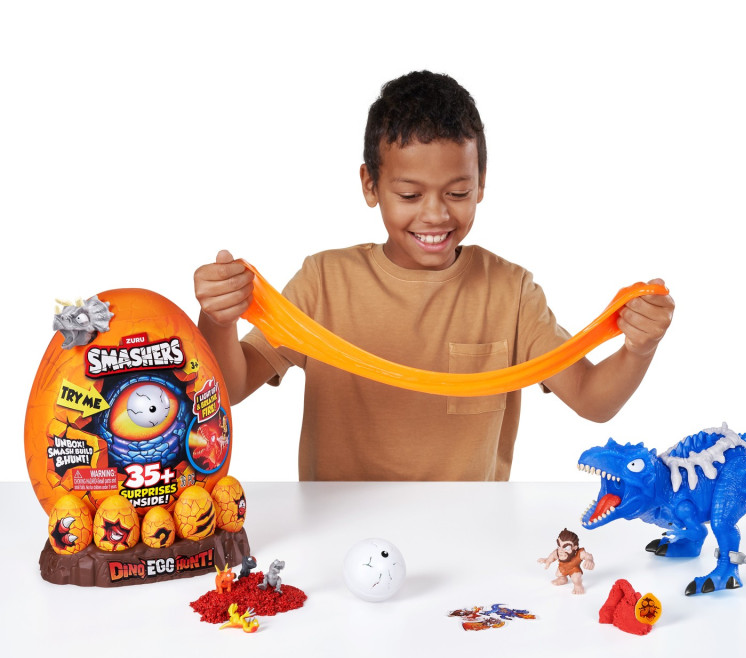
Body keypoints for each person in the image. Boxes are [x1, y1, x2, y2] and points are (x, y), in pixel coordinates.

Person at [194, 71, 674, 481]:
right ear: (370, 185)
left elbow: (593, 401)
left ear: (481, 184)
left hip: (468, 534)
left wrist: (639, 347)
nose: (435, 215)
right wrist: (218, 319)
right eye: (409, 195)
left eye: (458, 192)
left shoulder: (510, 292)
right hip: (341, 531)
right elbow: (228, 389)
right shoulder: (323, 282)